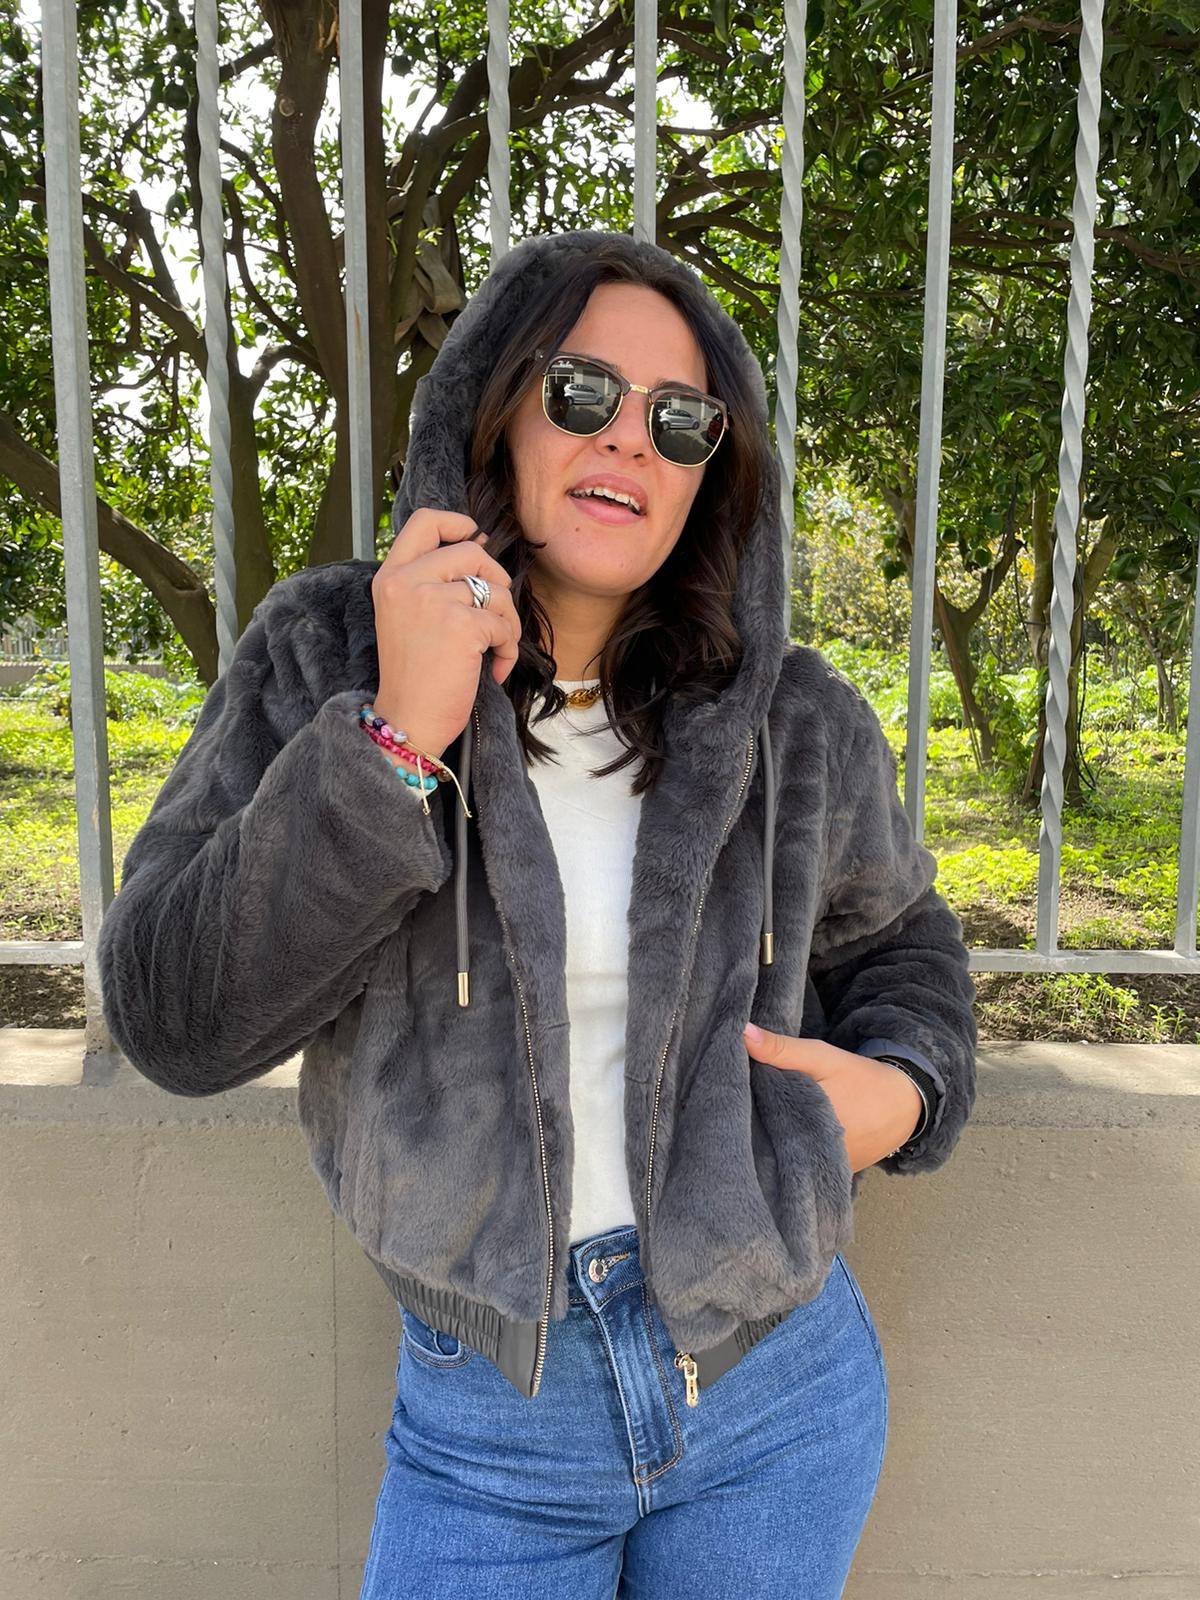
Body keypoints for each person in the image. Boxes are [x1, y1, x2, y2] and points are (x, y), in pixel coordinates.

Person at [98, 228, 978, 1597]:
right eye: (582, 392)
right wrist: (396, 737)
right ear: (498, 409)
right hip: (488, 1428)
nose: (628, 438)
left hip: (778, 1396)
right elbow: (172, 1018)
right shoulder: (325, 652)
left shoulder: (793, 720)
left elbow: (902, 946)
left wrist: (906, 1094)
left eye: (678, 420)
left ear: (710, 470)